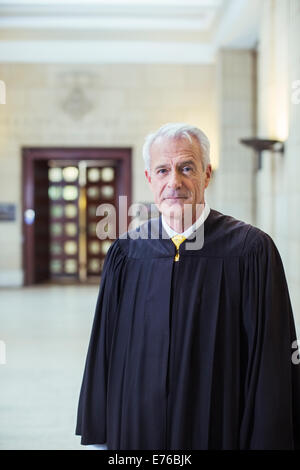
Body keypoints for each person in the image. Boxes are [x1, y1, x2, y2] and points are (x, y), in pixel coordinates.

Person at [75, 123, 300, 450]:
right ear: (150, 179)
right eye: (163, 170)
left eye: (186, 168)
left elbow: (273, 358)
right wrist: (103, 433)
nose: (174, 182)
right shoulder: (126, 253)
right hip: (138, 431)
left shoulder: (251, 251)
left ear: (207, 175)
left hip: (219, 428)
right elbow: (104, 350)